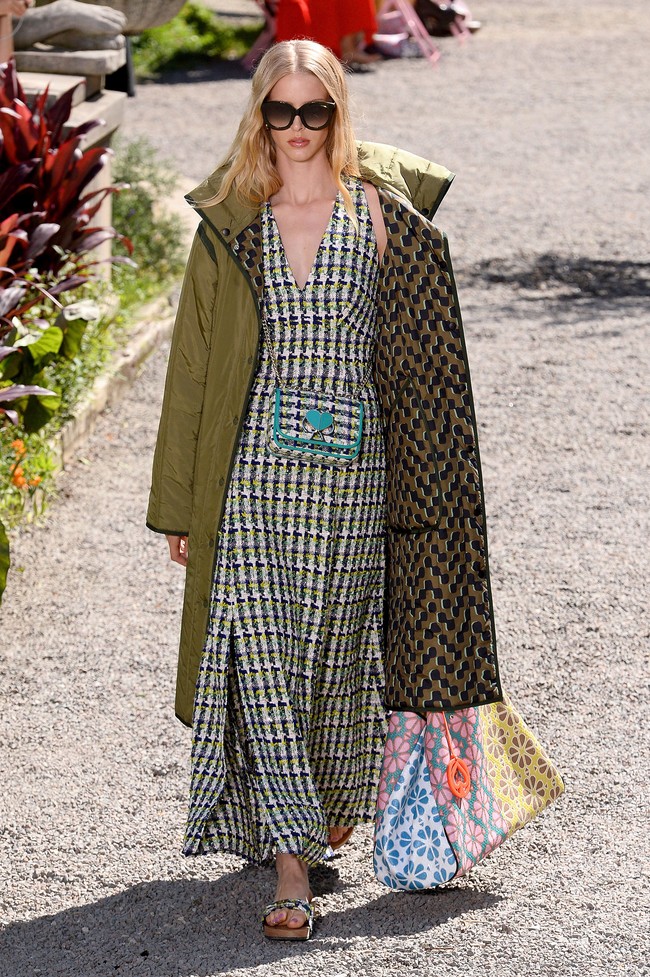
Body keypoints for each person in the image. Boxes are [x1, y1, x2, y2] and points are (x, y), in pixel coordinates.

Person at [147, 39, 502, 941]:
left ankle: (327, 802)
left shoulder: (379, 216)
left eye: (316, 112)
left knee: (337, 667)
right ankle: (294, 866)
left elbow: (427, 361)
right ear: (258, 114)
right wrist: (183, 506)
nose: (297, 129)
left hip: (355, 478)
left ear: (338, 115)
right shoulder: (234, 224)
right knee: (262, 658)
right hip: (257, 479)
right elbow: (192, 371)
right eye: (280, 112)